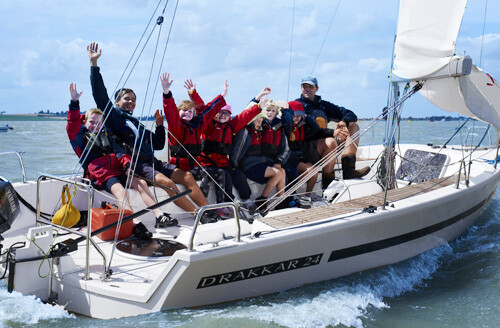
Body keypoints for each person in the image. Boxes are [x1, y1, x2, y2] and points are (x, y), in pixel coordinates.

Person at [87, 42, 210, 227]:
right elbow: (100, 95)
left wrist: (160, 126)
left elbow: (158, 144)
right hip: (136, 165)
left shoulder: (135, 123)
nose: (131, 102)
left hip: (152, 161)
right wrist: (94, 66)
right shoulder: (114, 119)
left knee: (187, 177)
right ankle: (198, 215)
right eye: (126, 99)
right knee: (167, 183)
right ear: (117, 102)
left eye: (134, 100)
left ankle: (208, 210)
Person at [67, 83, 162, 239]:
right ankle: (134, 223)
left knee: (141, 183)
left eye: (98, 123)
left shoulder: (107, 137)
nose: (94, 126)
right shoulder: (79, 139)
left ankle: (159, 214)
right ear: (84, 122)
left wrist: (127, 165)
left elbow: (119, 153)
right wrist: (74, 103)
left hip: (116, 170)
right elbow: (71, 124)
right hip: (99, 173)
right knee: (120, 190)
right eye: (91, 122)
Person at [185, 81, 267, 211]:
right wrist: (193, 94)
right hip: (208, 162)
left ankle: (246, 199)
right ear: (217, 113)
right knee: (225, 176)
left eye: (226, 113)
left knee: (239, 175)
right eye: (221, 112)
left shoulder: (231, 127)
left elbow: (245, 116)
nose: (223, 115)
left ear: (229, 116)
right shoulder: (208, 125)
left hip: (223, 162)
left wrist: (259, 108)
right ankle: (225, 204)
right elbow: (203, 109)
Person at [161, 72, 228, 223]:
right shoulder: (176, 127)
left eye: (190, 111)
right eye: (183, 110)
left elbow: (209, 110)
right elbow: (170, 114)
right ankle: (203, 208)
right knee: (205, 174)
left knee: (219, 172)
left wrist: (222, 96)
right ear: (179, 112)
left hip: (194, 165)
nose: (187, 113)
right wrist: (166, 93)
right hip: (181, 167)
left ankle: (219, 206)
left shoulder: (197, 125)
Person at [297, 75, 370, 184]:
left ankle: (348, 169)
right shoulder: (297, 105)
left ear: (316, 88)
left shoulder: (323, 105)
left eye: (310, 87)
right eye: (304, 86)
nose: (307, 89)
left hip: (324, 144)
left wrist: (343, 122)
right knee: (330, 142)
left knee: (353, 127)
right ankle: (327, 183)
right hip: (306, 148)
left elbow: (350, 114)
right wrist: (333, 133)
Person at [231, 100, 288, 215]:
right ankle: (262, 200)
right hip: (248, 165)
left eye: (261, 121)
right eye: (257, 121)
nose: (259, 123)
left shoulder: (258, 132)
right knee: (277, 173)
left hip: (258, 162)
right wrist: (235, 166)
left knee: (282, 171)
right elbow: (237, 151)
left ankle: (281, 202)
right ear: (251, 121)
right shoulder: (245, 132)